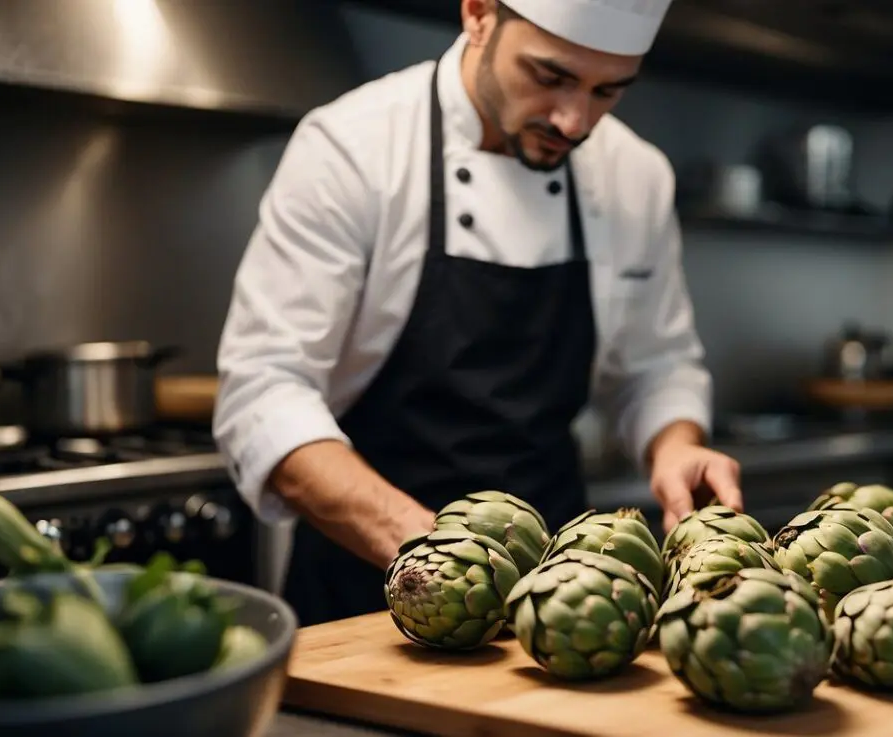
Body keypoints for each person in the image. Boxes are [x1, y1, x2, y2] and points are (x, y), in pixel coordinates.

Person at [212, 0, 743, 626]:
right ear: (479, 15)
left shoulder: (635, 176)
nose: (574, 121)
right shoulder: (351, 148)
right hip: (366, 583)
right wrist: (438, 557)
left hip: (557, 594)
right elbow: (264, 389)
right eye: (550, 77)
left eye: (608, 91)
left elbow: (657, 363)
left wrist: (674, 446)